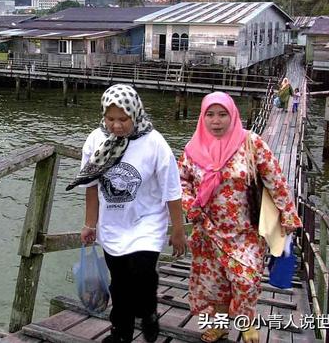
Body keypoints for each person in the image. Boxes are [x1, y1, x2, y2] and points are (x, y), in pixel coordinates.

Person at [178, 92, 302, 343]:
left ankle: (246, 323)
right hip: (208, 231)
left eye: (222, 114)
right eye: (210, 115)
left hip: (245, 232)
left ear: (232, 115)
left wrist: (288, 214)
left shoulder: (251, 143)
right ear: (202, 117)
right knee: (215, 285)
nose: (216, 121)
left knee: (246, 280)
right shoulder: (192, 150)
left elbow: (275, 180)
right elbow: (180, 183)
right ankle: (221, 326)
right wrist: (189, 205)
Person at [67, 84, 186, 343]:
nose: (116, 126)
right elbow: (90, 187)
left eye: (123, 119)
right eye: (110, 119)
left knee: (141, 272)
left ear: (135, 114)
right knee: (119, 282)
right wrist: (90, 224)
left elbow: (172, 190)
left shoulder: (154, 143)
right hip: (113, 224)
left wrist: (178, 230)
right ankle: (121, 331)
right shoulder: (96, 141)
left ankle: (148, 311)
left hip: (147, 221)